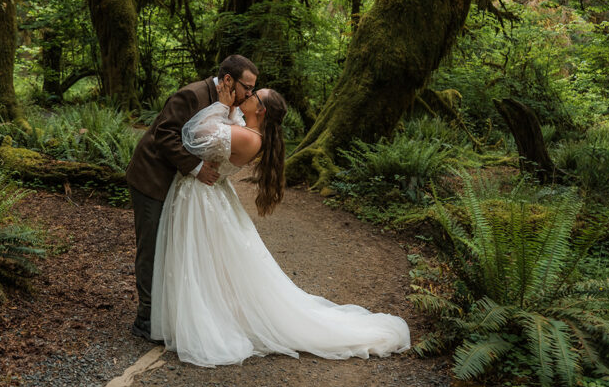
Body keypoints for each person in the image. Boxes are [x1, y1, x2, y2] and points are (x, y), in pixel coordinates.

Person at [151, 82, 411, 367]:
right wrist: (228, 112)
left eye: (254, 95)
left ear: (260, 111)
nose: (247, 95)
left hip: (205, 199)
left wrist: (222, 106)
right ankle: (200, 315)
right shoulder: (245, 128)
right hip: (205, 197)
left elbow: (193, 135)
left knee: (202, 261)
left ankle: (208, 321)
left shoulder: (249, 137)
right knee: (206, 263)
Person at [125, 55, 259, 341]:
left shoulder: (227, 103)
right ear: (227, 80)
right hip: (152, 179)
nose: (249, 94)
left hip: (177, 185)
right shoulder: (192, 94)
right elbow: (164, 135)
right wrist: (196, 168)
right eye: (246, 87)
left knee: (170, 247)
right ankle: (145, 317)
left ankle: (168, 312)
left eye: (252, 89)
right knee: (151, 247)